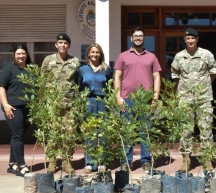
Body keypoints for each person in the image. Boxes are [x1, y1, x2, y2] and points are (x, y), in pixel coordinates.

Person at [114, 27, 162, 173]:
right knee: (127, 132)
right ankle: (126, 162)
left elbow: (157, 78)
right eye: (136, 36)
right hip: (127, 100)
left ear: (144, 38)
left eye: (141, 36)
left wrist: (155, 98)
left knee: (145, 132)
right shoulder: (123, 56)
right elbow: (117, 76)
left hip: (146, 101)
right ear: (131, 38)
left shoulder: (151, 57)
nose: (138, 38)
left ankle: (146, 161)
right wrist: (118, 96)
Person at [171, 28, 216, 177]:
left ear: (197, 39)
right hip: (185, 99)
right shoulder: (179, 56)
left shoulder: (206, 54)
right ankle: (186, 159)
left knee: (205, 130)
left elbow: (213, 73)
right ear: (184, 40)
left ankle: (206, 160)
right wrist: (187, 89)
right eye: (187, 38)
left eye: (193, 38)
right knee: (185, 130)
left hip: (204, 98)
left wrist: (201, 88)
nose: (190, 41)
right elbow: (175, 75)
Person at [41, 33, 80, 173]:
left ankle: (67, 162)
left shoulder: (75, 62)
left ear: (69, 45)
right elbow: (42, 81)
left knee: (69, 134)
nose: (63, 45)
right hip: (52, 104)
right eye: (60, 42)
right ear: (56, 45)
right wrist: (43, 103)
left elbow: (77, 83)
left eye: (65, 43)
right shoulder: (48, 60)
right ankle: (52, 161)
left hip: (70, 105)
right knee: (52, 133)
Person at [0, 43, 33, 177]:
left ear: (27, 54)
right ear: (14, 55)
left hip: (28, 108)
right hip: (13, 108)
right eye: (18, 53)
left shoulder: (32, 68)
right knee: (18, 135)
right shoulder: (9, 69)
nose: (21, 56)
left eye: (23, 53)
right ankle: (21, 165)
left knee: (18, 135)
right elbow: (1, 88)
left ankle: (12, 164)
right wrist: (5, 105)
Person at [78, 43, 113, 174]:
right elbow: (79, 86)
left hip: (103, 101)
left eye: (97, 52)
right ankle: (89, 162)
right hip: (88, 101)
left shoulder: (107, 69)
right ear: (88, 54)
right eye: (92, 52)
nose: (95, 54)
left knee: (102, 132)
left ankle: (101, 162)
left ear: (101, 54)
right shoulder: (82, 70)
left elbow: (110, 87)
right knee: (89, 132)